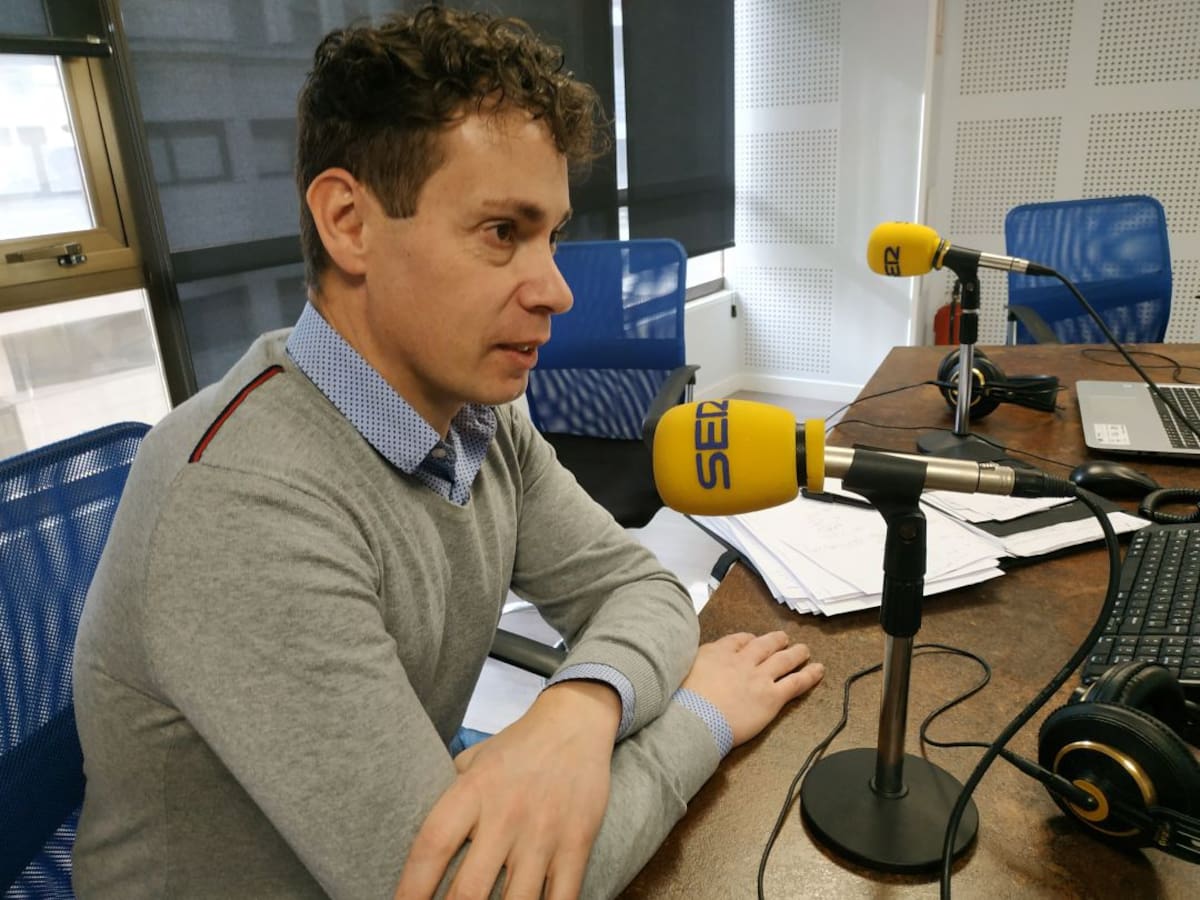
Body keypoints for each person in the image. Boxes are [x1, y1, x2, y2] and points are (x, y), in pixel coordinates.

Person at [71, 6, 824, 898]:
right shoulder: (241, 505)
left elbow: (641, 589)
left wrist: (579, 707)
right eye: (502, 232)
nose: (556, 290)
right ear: (349, 222)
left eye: (551, 235)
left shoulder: (479, 420)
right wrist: (702, 715)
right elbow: (481, 890)